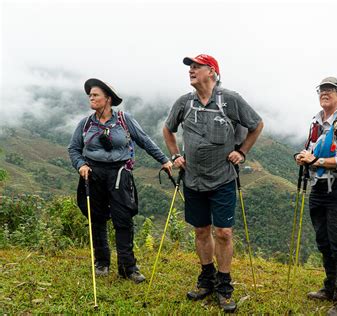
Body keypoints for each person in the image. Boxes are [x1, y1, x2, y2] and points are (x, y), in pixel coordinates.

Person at [163, 54, 263, 312]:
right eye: (190, 67)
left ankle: (224, 284)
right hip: (193, 178)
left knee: (224, 232)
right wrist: (175, 155)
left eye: (197, 67)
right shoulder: (184, 103)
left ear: (212, 72)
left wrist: (242, 152)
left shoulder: (230, 100)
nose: (191, 71)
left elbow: (256, 124)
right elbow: (168, 129)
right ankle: (206, 278)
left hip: (223, 178)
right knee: (200, 230)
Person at [68, 78, 172, 283]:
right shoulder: (86, 123)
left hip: (120, 173)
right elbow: (73, 148)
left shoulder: (124, 120)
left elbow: (144, 141)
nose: (91, 97)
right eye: (90, 94)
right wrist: (81, 165)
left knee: (123, 219)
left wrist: (164, 160)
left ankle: (127, 267)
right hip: (93, 174)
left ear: (108, 99)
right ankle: (102, 263)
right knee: (96, 218)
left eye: (95, 94)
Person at [295, 77, 337, 315]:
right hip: (319, 187)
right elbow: (312, 148)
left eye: (330, 90)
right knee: (324, 241)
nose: (325, 93)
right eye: (321, 90)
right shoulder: (316, 120)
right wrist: (303, 156)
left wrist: (317, 161)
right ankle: (330, 289)